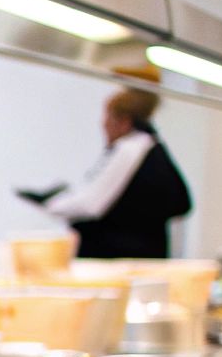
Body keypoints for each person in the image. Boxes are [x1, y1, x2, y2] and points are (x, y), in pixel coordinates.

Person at [17, 87, 192, 259]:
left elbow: (91, 204)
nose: (103, 123)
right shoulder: (152, 148)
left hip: (121, 261)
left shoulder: (131, 149)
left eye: (107, 116)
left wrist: (51, 203)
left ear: (124, 121)